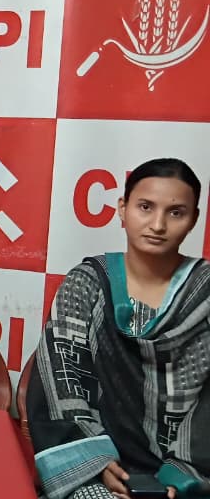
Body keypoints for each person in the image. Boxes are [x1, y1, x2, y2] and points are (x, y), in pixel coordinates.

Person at [27, 158, 208, 499]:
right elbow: (61, 376)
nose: (158, 224)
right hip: (96, 467)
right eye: (145, 207)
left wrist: (182, 477)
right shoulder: (87, 283)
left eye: (176, 212)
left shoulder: (206, 293)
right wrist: (95, 461)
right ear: (122, 208)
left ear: (194, 219)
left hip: (193, 472)